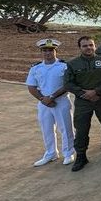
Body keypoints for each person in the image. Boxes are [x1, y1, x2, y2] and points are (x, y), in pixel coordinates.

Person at [65, 36, 101, 171]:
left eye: (91, 45)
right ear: (80, 48)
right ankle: (81, 156)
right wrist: (84, 94)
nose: (88, 48)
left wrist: (96, 92)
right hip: (83, 102)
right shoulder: (72, 64)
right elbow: (68, 83)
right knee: (81, 130)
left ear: (95, 46)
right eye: (85, 46)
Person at [26, 38, 75, 167]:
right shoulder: (36, 68)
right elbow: (31, 87)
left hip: (61, 100)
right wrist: (44, 99)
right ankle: (50, 153)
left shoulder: (64, 66)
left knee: (65, 128)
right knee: (46, 129)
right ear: (41, 52)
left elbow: (67, 85)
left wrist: (52, 97)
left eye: (50, 50)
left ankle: (68, 153)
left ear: (55, 51)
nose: (47, 53)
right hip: (43, 103)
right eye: (45, 50)